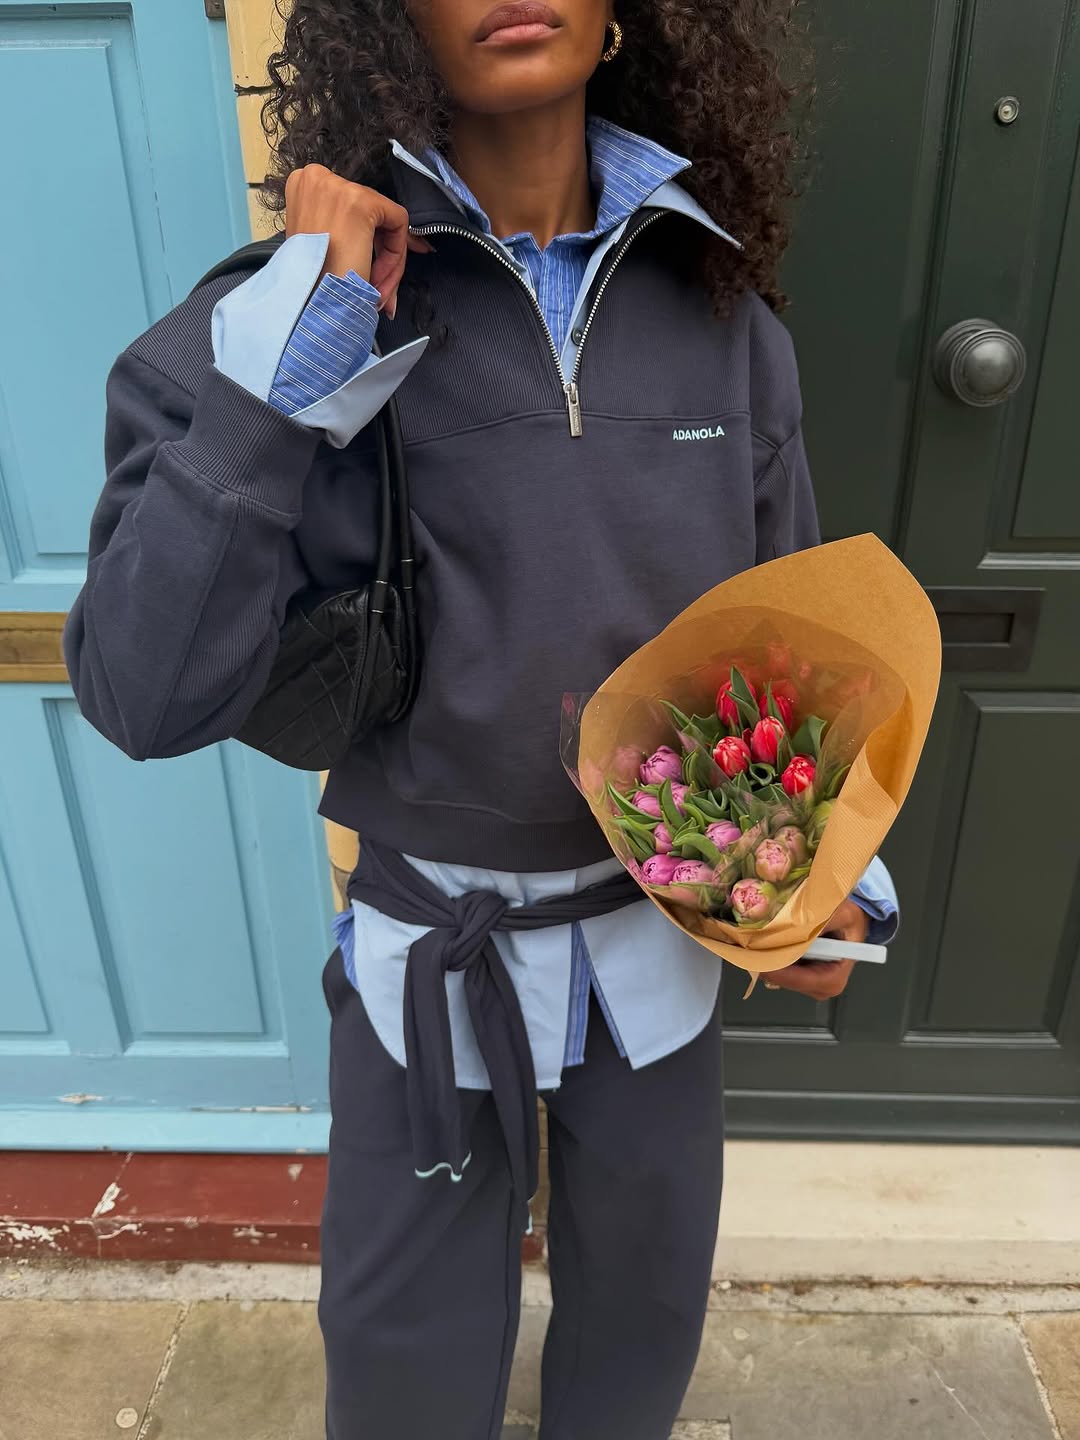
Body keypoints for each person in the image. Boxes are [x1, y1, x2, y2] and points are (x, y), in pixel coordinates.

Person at [64, 2, 899, 1436]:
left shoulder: (724, 320)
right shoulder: (279, 316)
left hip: (662, 943)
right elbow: (140, 693)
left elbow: (791, 651)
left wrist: (818, 867)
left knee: (641, 1335)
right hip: (427, 963)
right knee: (404, 1367)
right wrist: (281, 379)